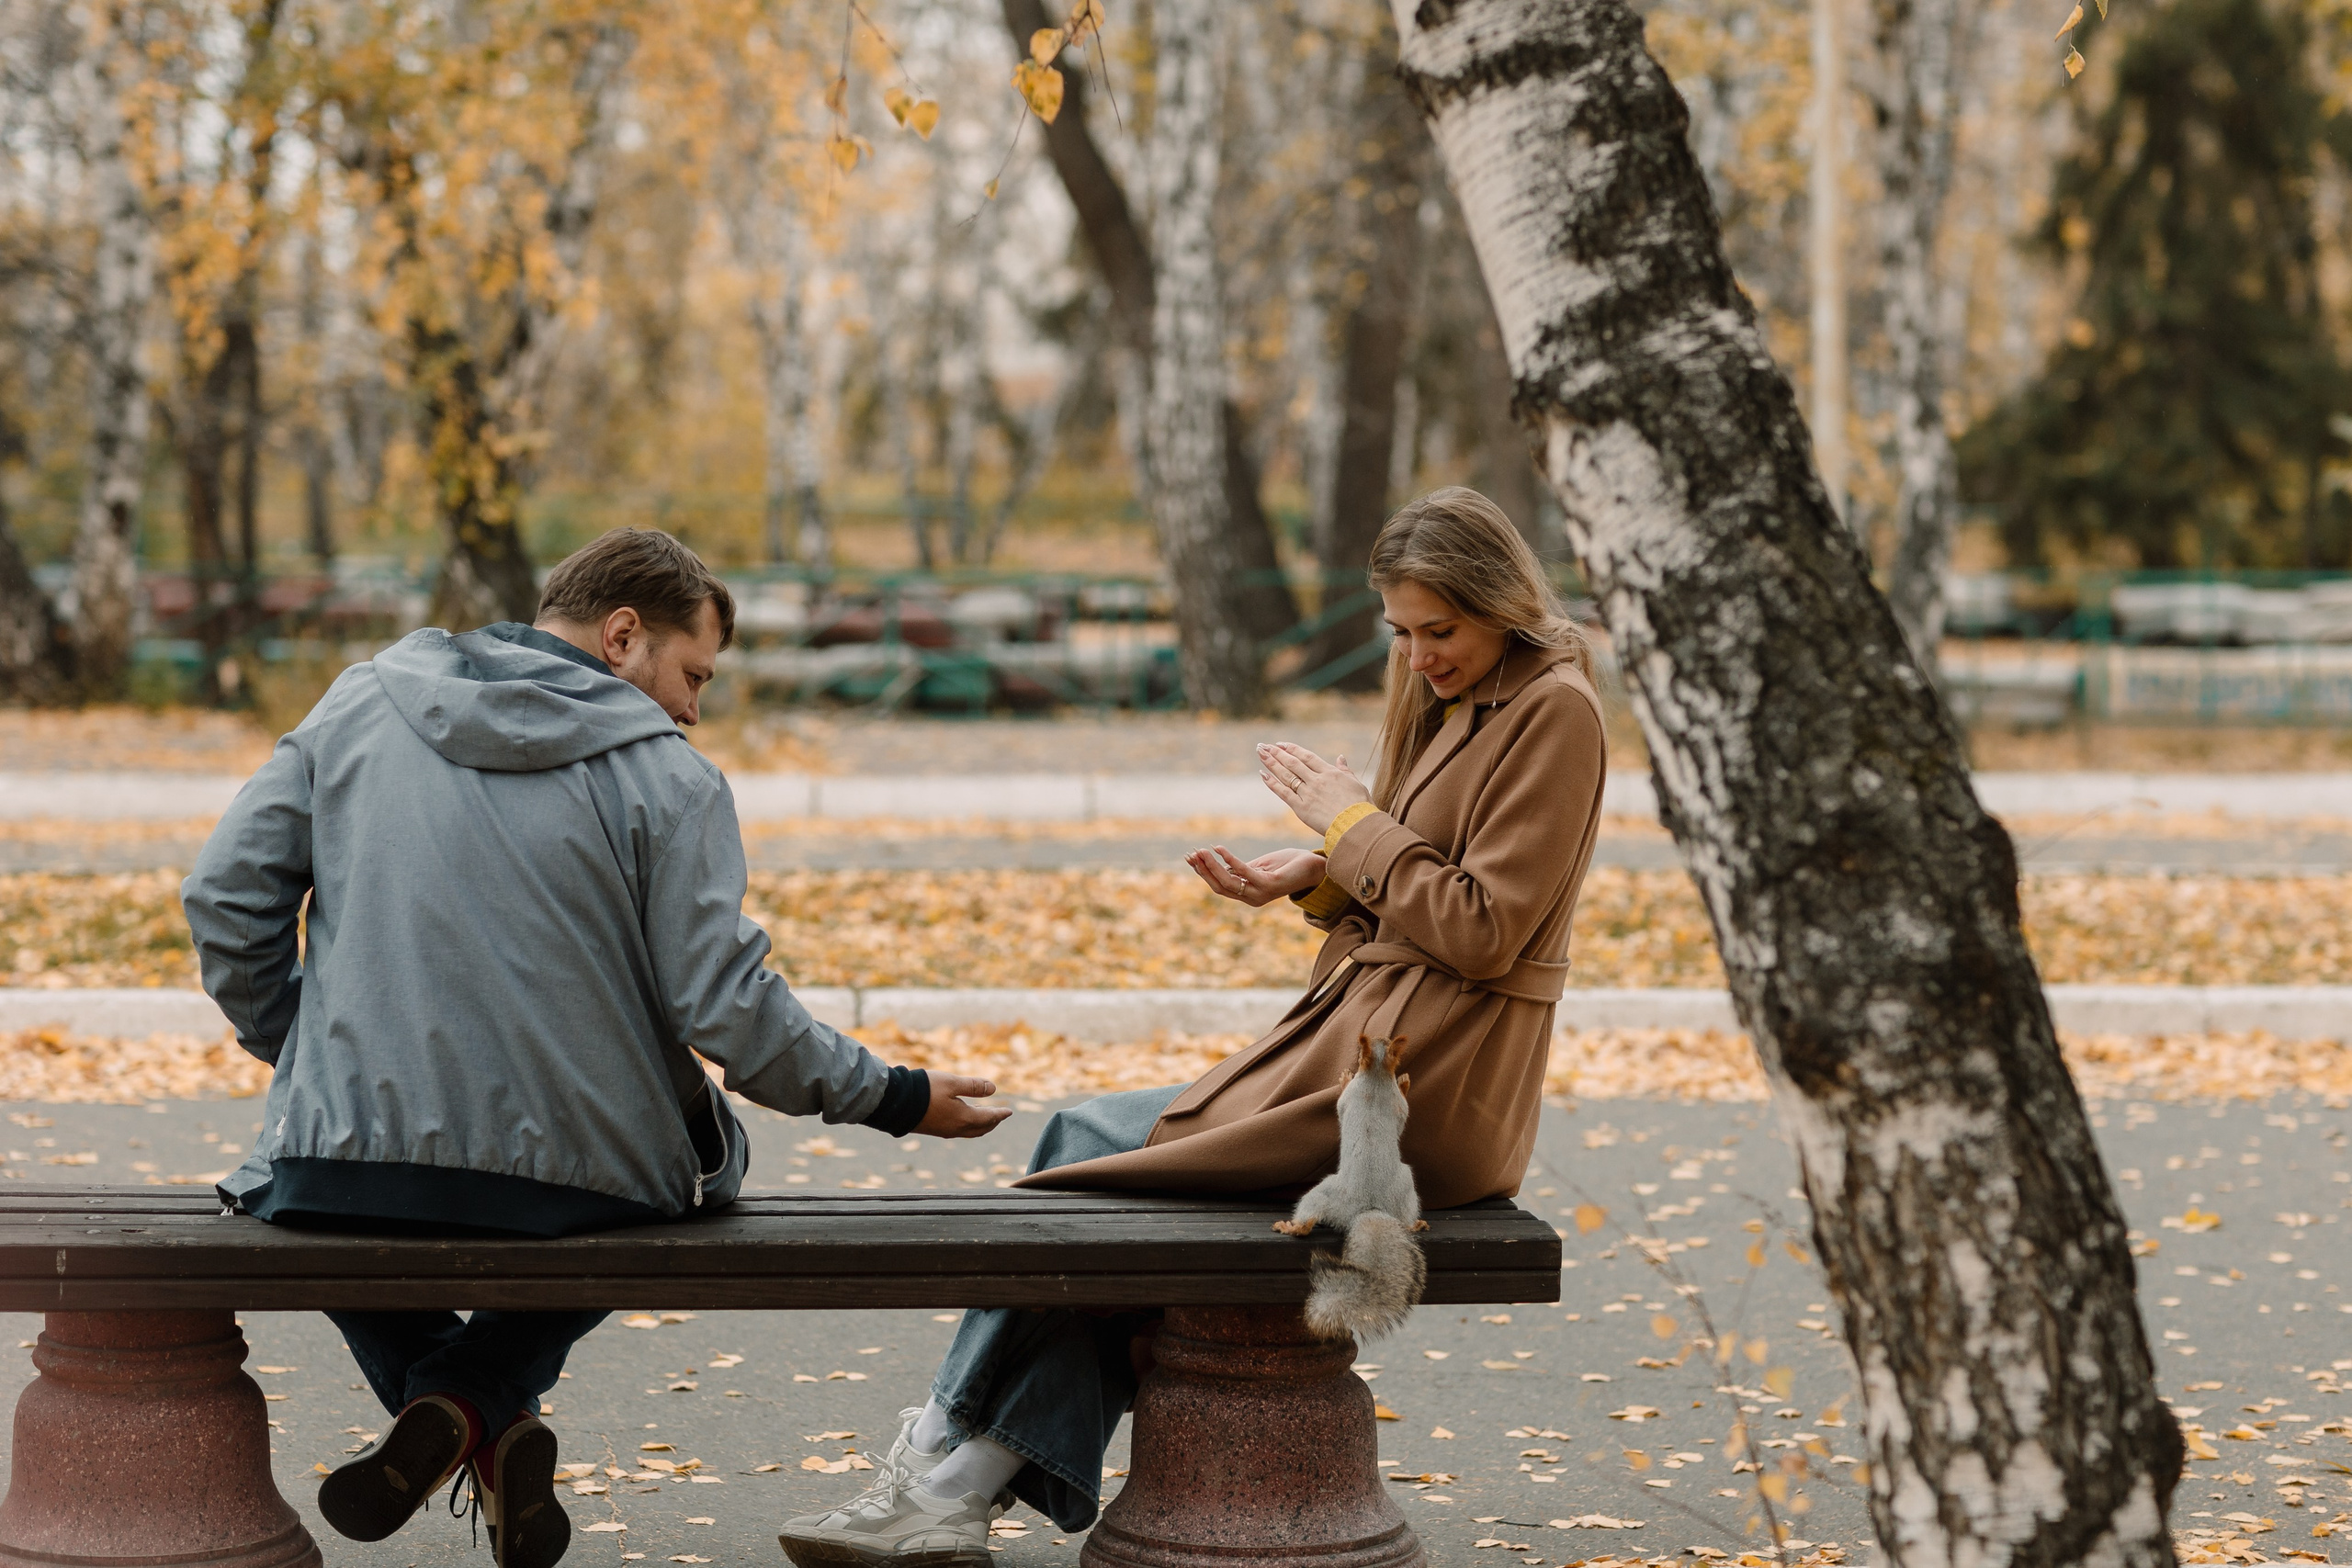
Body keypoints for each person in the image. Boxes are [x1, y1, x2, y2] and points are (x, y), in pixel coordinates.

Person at [778, 487, 1609, 1568]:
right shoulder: (1457, 699)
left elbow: (1485, 929)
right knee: (1097, 1161)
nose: (1417, 656)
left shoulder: (1555, 710)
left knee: (1093, 1153)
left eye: (1438, 629)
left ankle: (946, 1461)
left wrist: (1349, 823)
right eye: (1400, 632)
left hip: (1428, 1092)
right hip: (1368, 1054)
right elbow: (1413, 887)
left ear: (1499, 601)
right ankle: (949, 1474)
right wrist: (1315, 879)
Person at [181, 527, 1008, 1568]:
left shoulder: (358, 703)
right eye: (693, 674)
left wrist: (306, 1055)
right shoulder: (671, 778)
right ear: (622, 636)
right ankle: (477, 1397)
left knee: (310, 1190)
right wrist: (895, 1095)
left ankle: (460, 1408)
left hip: (341, 1155)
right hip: (583, 1181)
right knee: (699, 1168)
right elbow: (728, 1009)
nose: (692, 710)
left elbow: (225, 898)